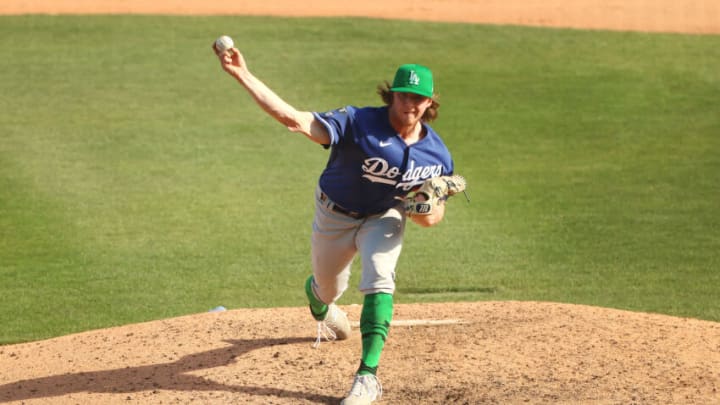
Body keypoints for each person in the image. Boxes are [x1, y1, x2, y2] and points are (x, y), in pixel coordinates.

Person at [213, 42, 460, 404]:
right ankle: (319, 300)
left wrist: (425, 210)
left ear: (430, 104)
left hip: (385, 216)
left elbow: (432, 217)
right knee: (328, 289)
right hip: (334, 214)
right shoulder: (357, 122)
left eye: (418, 98)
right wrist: (242, 74)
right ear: (391, 96)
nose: (410, 104)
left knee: (380, 275)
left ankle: (367, 376)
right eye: (403, 95)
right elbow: (294, 119)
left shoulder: (436, 154)